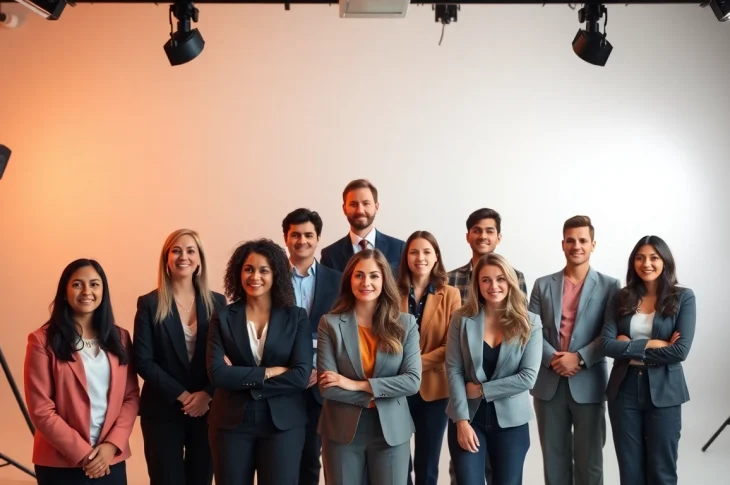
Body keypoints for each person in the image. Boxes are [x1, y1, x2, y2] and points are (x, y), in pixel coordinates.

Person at [24, 259, 139, 485]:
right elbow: (41, 409)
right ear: (64, 292)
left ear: (103, 292)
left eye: (94, 284)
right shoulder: (41, 341)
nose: (87, 291)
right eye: (77, 284)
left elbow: (131, 396)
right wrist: (85, 454)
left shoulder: (121, 338)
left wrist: (111, 446)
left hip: (110, 460)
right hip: (60, 462)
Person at [206, 239, 311, 485]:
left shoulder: (296, 317)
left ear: (276, 274)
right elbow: (218, 373)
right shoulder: (222, 316)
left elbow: (300, 376)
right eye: (248, 269)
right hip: (230, 424)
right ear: (238, 273)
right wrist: (270, 372)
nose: (255, 276)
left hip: (283, 424)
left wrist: (241, 377)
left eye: (264, 270)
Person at [317, 249, 422, 485]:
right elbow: (328, 387)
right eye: (359, 275)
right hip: (341, 431)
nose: (366, 282)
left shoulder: (405, 324)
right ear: (349, 279)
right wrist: (374, 396)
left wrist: (355, 384)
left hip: (391, 431)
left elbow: (412, 381)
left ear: (384, 280)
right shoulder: (330, 323)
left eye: (374, 276)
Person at [529, 216, 620, 485]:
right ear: (563, 244)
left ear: (593, 244)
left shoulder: (610, 286)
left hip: (589, 383)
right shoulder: (542, 284)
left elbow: (609, 333)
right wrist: (554, 359)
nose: (576, 245)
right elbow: (530, 331)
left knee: (590, 462)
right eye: (571, 240)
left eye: (582, 240)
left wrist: (579, 358)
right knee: (554, 462)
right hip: (549, 383)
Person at [133, 229, 226, 485]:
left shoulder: (218, 303)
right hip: (162, 409)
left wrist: (206, 394)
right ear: (166, 258)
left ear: (199, 260)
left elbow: (227, 358)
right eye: (176, 250)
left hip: (208, 409)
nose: (182, 256)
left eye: (190, 250)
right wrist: (184, 397)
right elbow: (143, 360)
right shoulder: (149, 303)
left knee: (201, 478)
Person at [601, 236, 696, 485]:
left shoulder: (683, 297)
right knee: (630, 472)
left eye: (654, 257)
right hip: (624, 390)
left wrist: (628, 346)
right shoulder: (620, 297)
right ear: (633, 262)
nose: (647, 263)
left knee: (662, 471)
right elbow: (608, 344)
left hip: (665, 390)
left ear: (664, 261)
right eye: (640, 257)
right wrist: (653, 343)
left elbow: (679, 351)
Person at [445, 253, 541, 485]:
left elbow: (527, 378)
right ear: (477, 284)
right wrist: (461, 421)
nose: (493, 286)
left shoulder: (530, 322)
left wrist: (481, 390)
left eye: (500, 279)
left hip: (511, 423)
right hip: (469, 419)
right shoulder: (461, 318)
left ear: (510, 281)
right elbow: (454, 369)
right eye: (485, 280)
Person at [282, 208, 342, 485]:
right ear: (286, 238)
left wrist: (321, 368)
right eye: (295, 235)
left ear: (318, 238)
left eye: (308, 235)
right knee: (280, 460)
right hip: (281, 384)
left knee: (311, 461)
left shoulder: (337, 279)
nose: (302, 241)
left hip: (321, 385)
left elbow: (343, 333)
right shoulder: (272, 279)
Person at [396, 231, 460, 485]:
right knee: (399, 460)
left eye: (426, 252)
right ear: (406, 257)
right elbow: (384, 336)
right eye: (413, 252)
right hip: (397, 389)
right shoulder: (391, 292)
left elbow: (451, 345)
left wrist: (414, 365)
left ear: (436, 257)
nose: (419, 257)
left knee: (428, 463)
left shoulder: (451, 294)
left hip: (434, 391)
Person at [320, 179, 405, 273]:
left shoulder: (398, 248)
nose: (360, 210)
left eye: (366, 203)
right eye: (353, 204)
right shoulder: (330, 255)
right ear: (344, 209)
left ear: (376, 207)